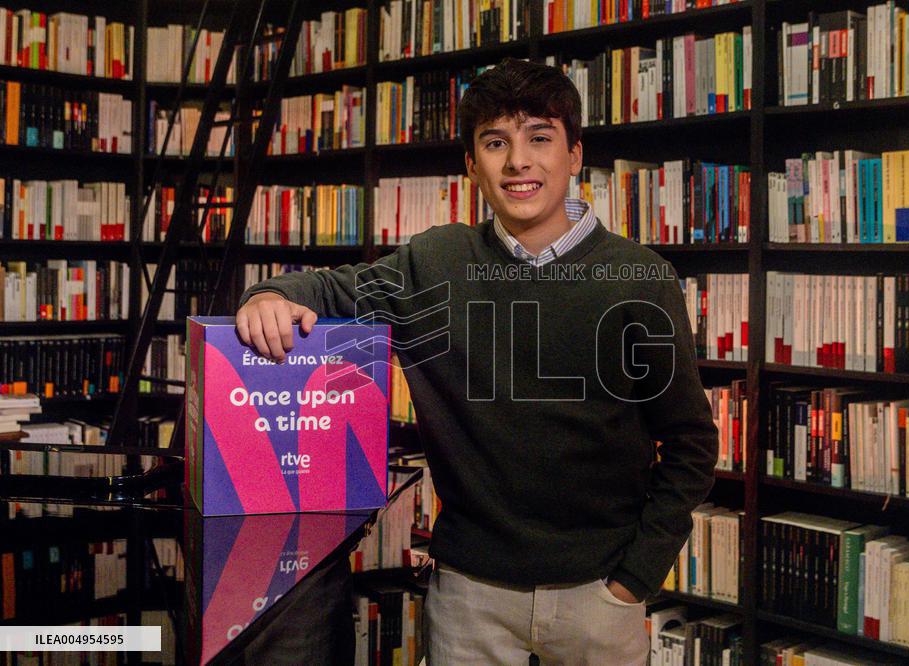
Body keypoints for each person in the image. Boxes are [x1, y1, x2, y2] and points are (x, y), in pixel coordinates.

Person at [235, 57, 718, 665]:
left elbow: (691, 445)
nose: (519, 161)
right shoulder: (436, 264)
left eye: (540, 138)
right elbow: (328, 291)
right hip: (468, 597)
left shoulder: (640, 280)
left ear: (574, 155)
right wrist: (268, 297)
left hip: (600, 598)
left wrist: (634, 581)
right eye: (496, 143)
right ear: (472, 165)